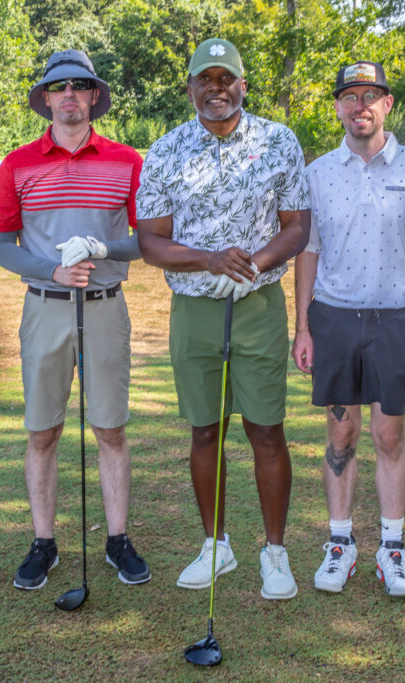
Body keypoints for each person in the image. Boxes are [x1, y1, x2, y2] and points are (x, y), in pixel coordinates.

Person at [136, 38, 310, 600]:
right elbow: (150, 241)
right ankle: (216, 545)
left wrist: (252, 263)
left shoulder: (278, 141)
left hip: (258, 306)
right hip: (195, 308)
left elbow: (297, 226)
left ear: (242, 85)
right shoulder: (165, 151)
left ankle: (275, 552)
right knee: (205, 429)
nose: (216, 89)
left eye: (225, 78)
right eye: (205, 79)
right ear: (190, 88)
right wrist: (209, 260)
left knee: (266, 429)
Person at [0, 49, 150, 591]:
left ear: (94, 96)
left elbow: (148, 239)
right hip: (44, 307)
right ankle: (43, 542)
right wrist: (53, 271)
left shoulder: (126, 161)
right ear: (47, 99)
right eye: (60, 87)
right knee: (43, 431)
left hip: (105, 307)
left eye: (80, 85)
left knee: (110, 428)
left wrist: (104, 249)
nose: (70, 95)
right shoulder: (18, 164)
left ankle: (117, 539)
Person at [291, 61, 405, 598]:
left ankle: (392, 548)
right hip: (335, 318)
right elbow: (308, 254)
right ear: (338, 106)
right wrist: (303, 328)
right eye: (349, 96)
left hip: (396, 320)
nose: (359, 106)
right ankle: (340, 543)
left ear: (387, 104)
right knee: (341, 435)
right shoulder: (318, 174)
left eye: (370, 95)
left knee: (389, 435)